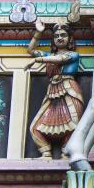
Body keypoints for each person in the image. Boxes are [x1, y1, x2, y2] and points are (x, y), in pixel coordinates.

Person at [26, 22, 83, 159]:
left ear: (70, 38)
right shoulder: (49, 56)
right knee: (36, 127)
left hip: (69, 90)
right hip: (52, 92)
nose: (59, 38)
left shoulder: (73, 55)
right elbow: (30, 50)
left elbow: (60, 59)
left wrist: (39, 60)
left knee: (74, 125)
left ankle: (66, 153)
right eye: (56, 36)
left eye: (63, 35)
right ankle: (46, 153)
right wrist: (38, 33)